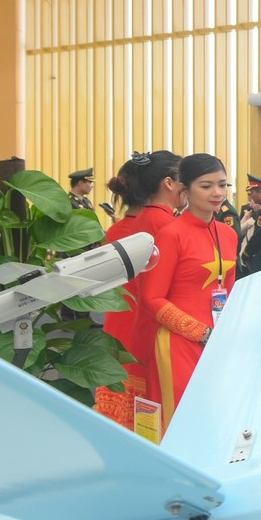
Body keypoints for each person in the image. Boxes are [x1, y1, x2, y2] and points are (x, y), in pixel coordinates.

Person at [135, 154, 238, 417]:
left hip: (219, 341)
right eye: (206, 186)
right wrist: (198, 332)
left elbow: (229, 290)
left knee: (217, 413)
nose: (217, 193)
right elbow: (151, 298)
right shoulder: (170, 234)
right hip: (179, 343)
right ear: (185, 189)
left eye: (222, 184)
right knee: (181, 417)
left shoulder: (228, 234)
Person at [97, 150, 183, 411]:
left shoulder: (117, 228)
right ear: (169, 183)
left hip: (118, 323)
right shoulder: (167, 227)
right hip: (150, 327)